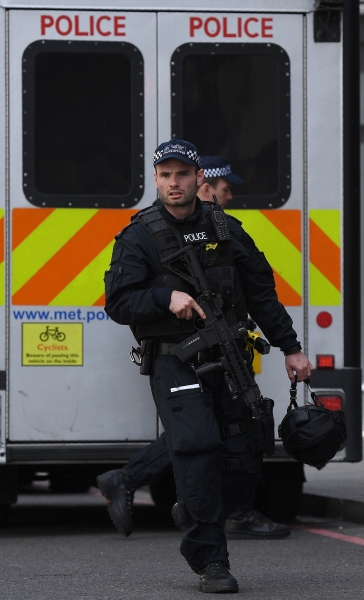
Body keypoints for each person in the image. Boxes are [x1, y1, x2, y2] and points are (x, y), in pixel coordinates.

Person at [103, 139, 312, 593]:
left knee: (247, 455)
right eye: (165, 175)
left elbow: (261, 294)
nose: (173, 183)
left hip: (231, 355)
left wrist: (291, 348)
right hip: (174, 361)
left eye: (182, 174)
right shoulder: (139, 235)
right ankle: (211, 562)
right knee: (196, 449)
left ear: (200, 178)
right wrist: (165, 297)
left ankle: (197, 510)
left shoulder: (227, 228)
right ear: (155, 180)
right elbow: (118, 302)